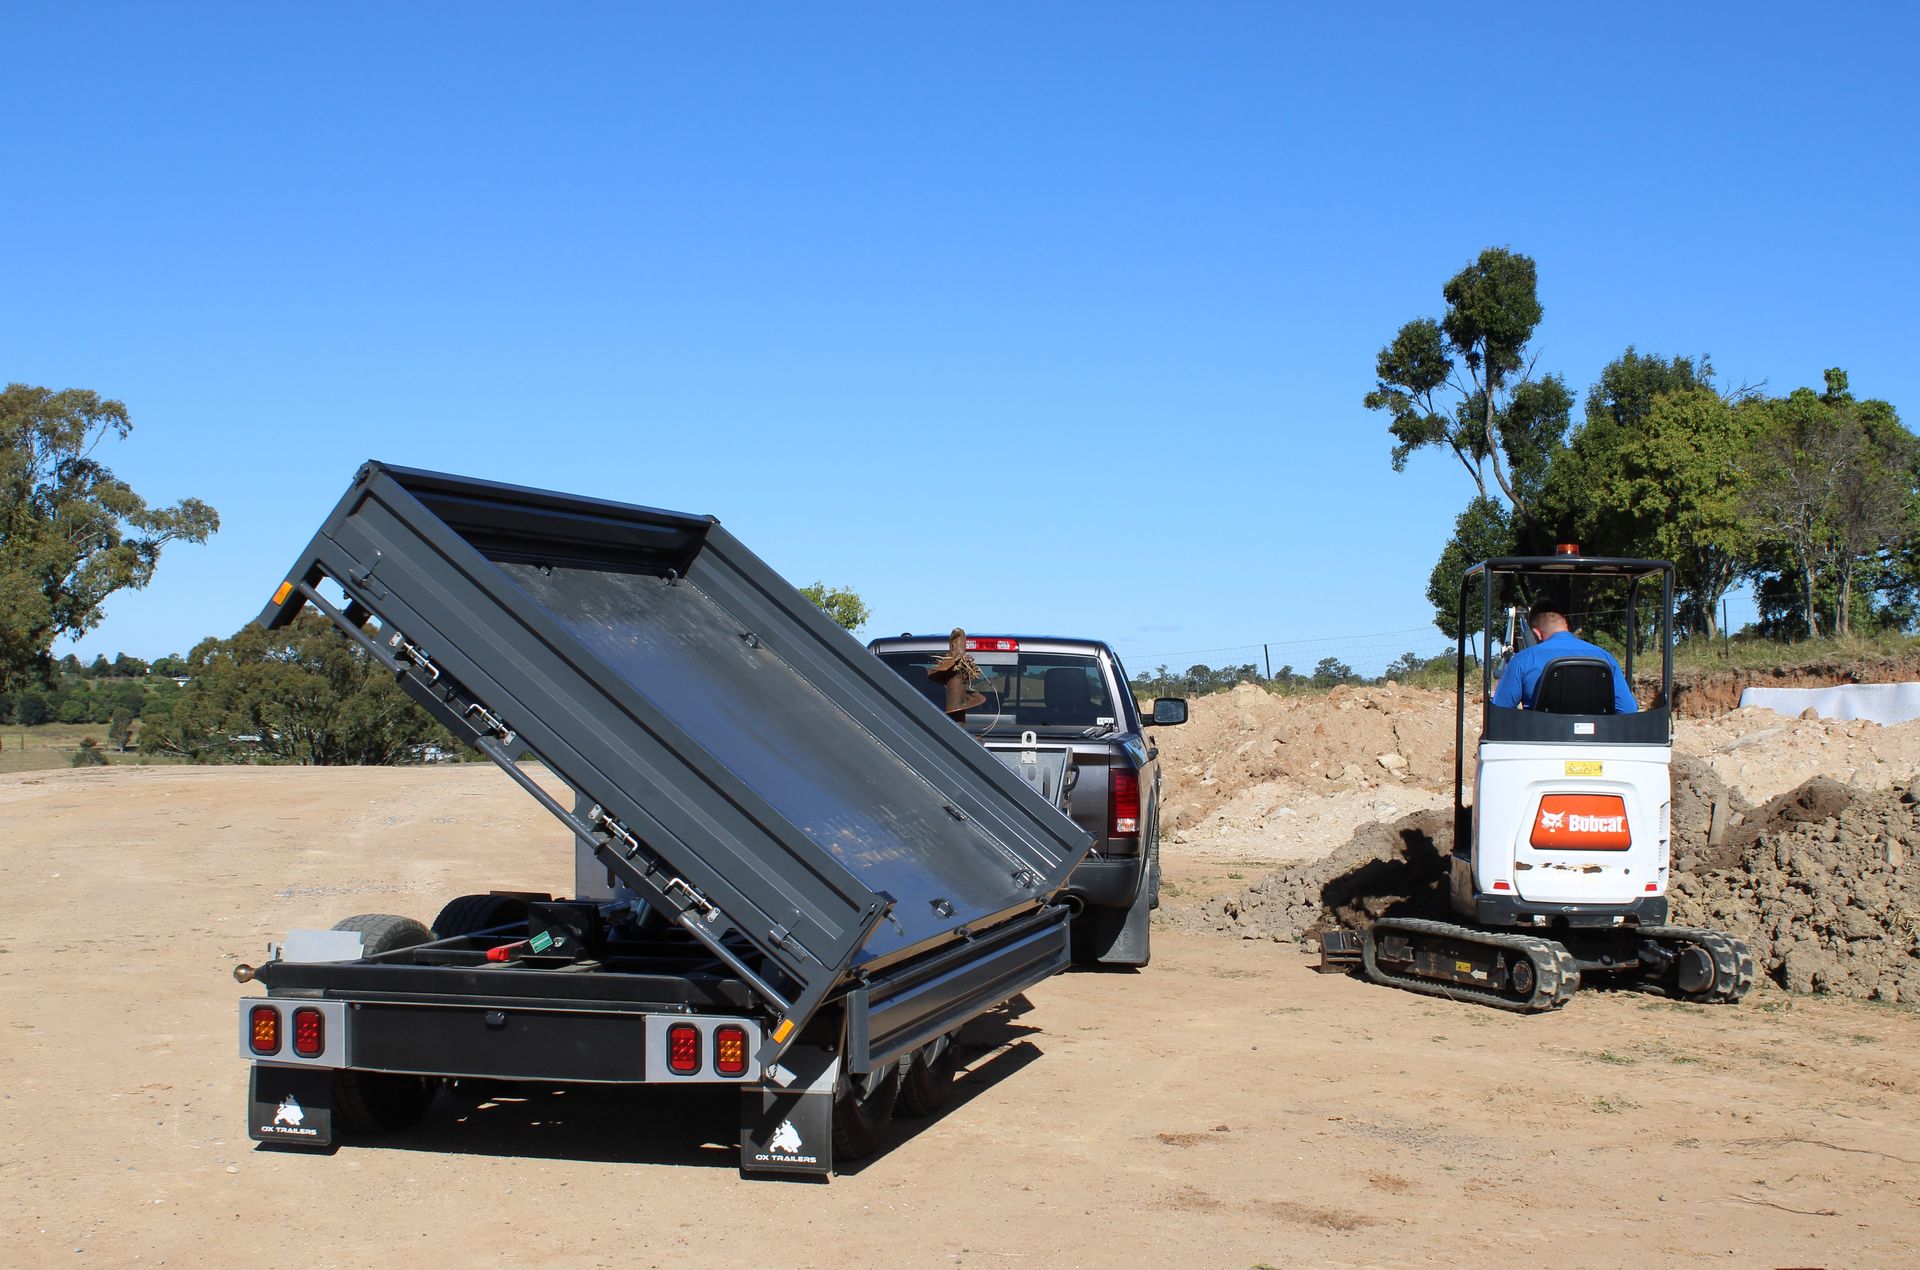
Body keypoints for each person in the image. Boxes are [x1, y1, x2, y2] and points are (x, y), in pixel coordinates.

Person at [1491, 599, 1638, 713]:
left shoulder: (1523, 659)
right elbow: (1628, 709)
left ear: (1536, 633)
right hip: (1595, 746)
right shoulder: (1604, 657)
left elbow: (1500, 711)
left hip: (1539, 743)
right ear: (1566, 625)